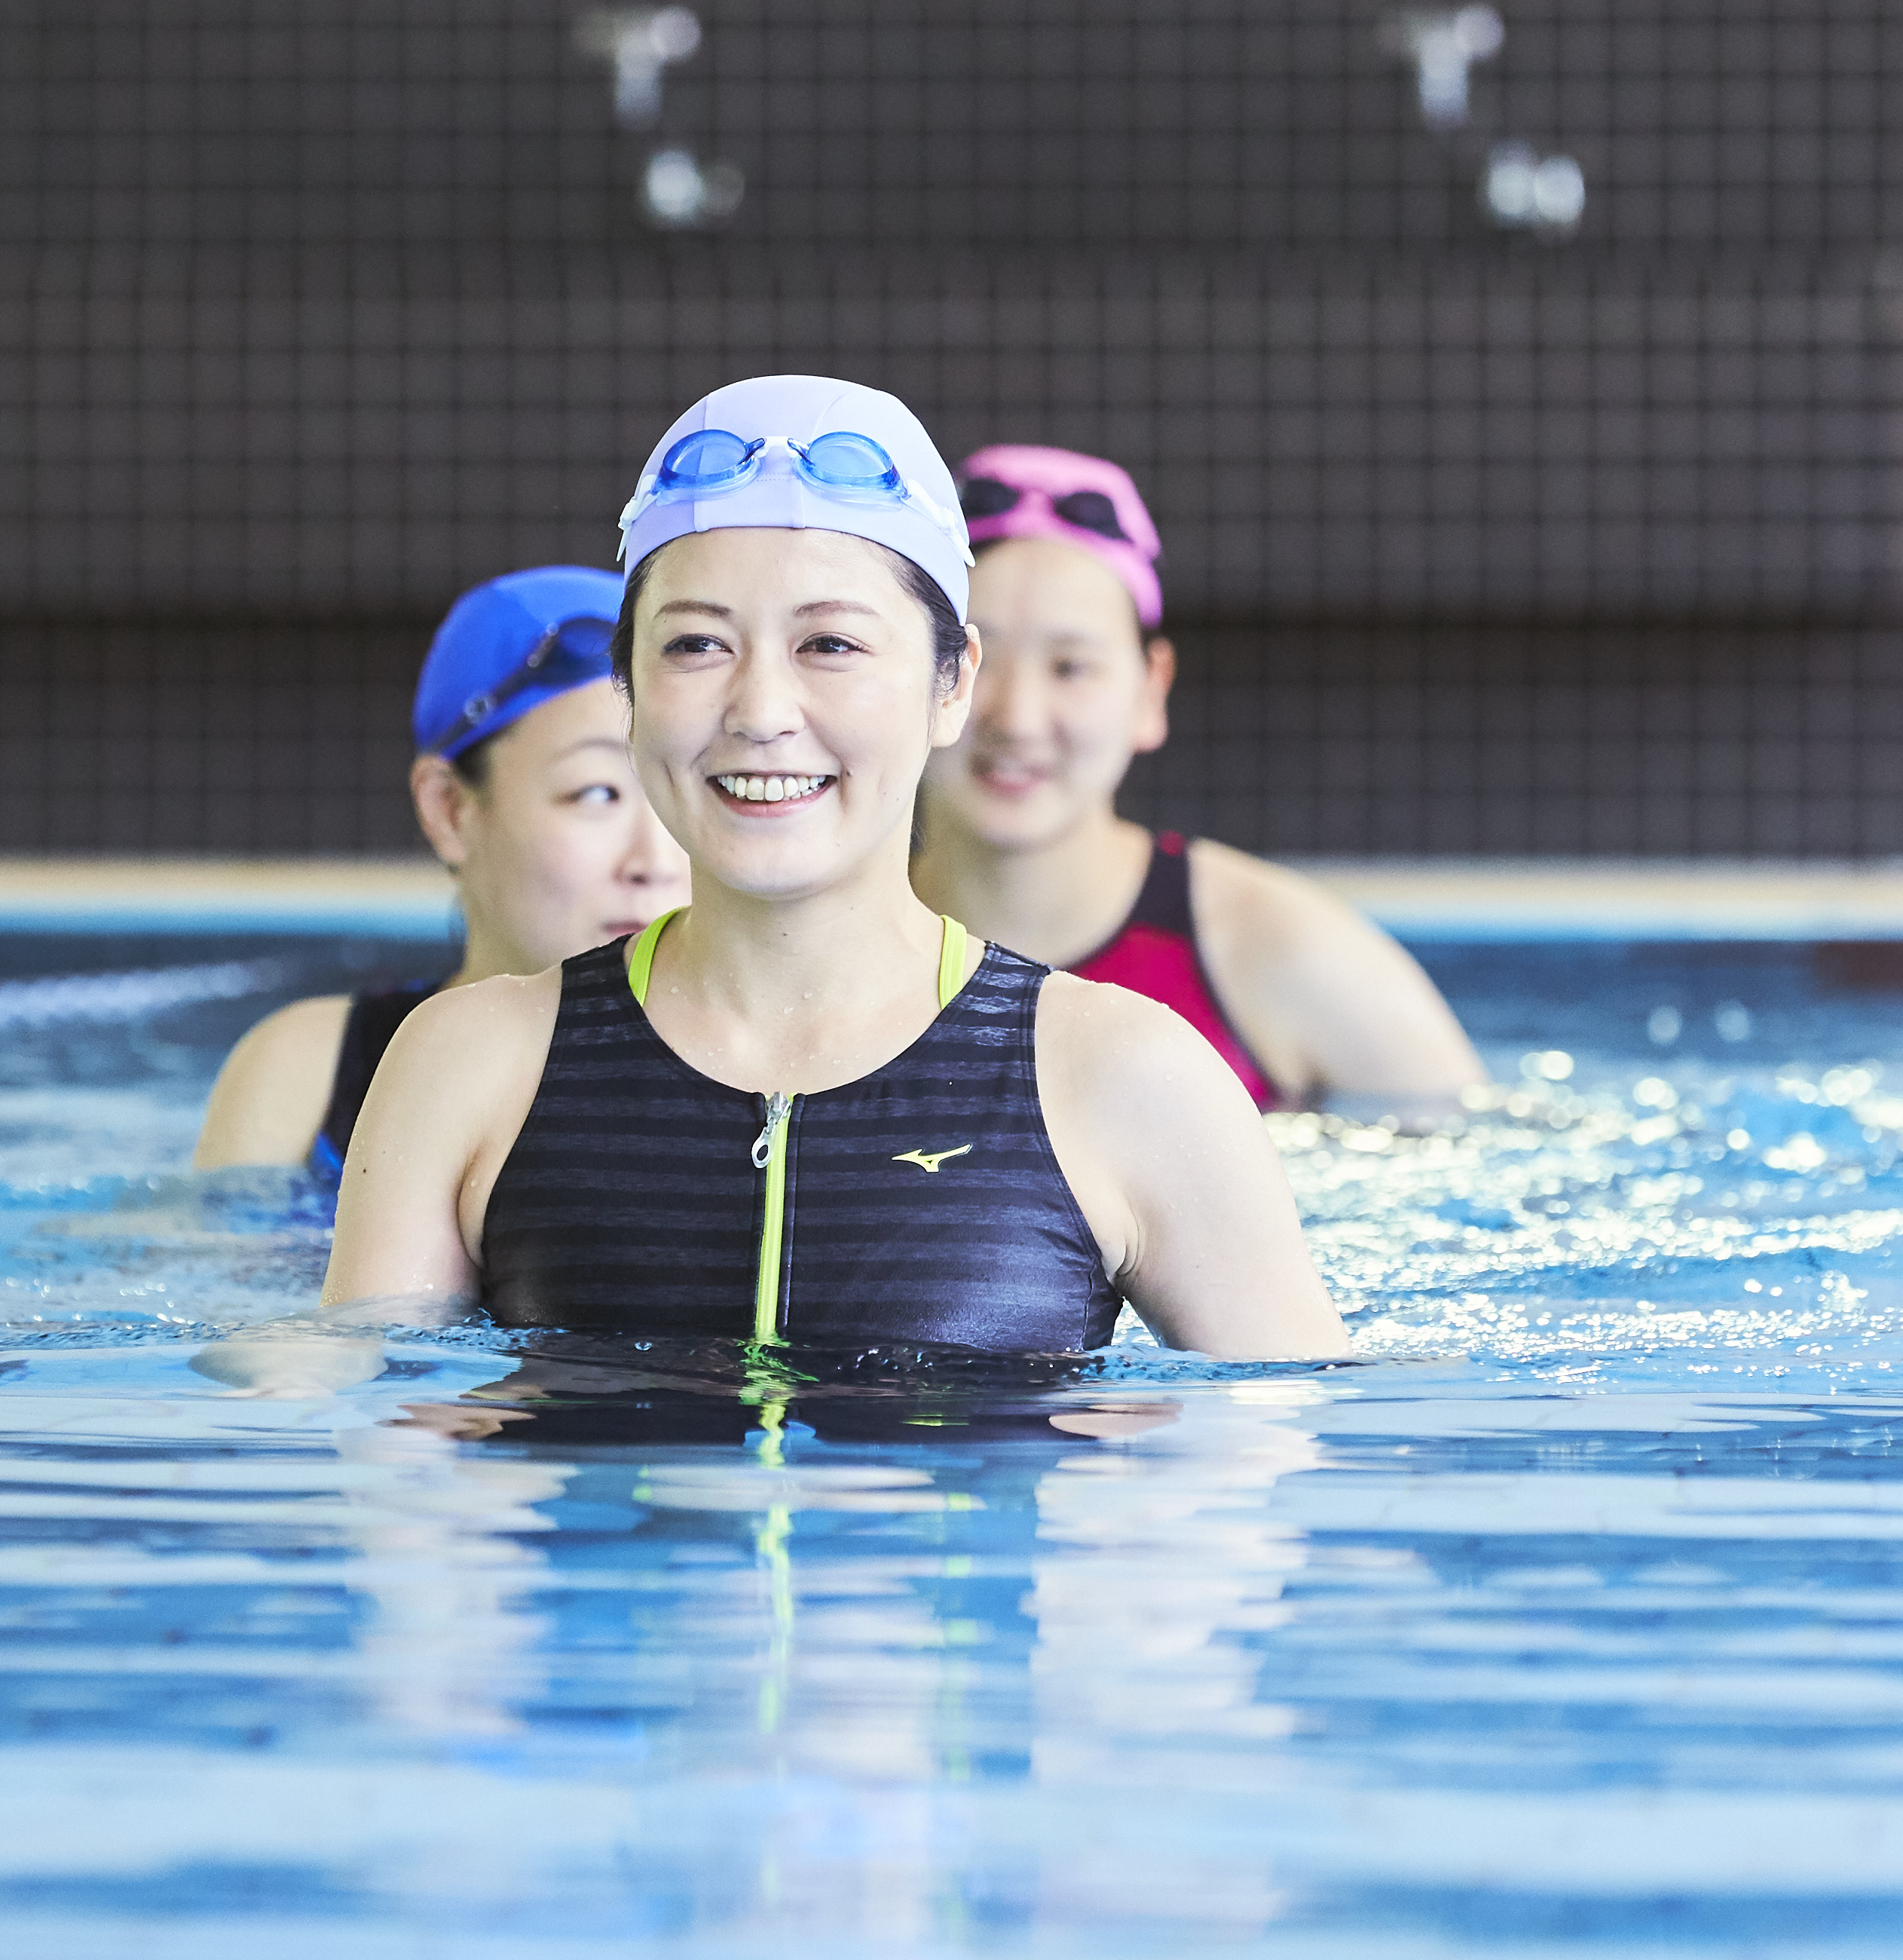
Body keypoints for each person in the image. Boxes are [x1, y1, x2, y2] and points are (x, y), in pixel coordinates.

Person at [322, 375, 1348, 1359]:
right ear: (627, 687)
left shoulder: (1123, 1075)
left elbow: (1288, 1449)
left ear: (952, 684)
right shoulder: (467, 1065)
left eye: (830, 645)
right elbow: (367, 1439)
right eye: (695, 645)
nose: (762, 711)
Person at [908, 442, 1483, 1111]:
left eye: (1071, 667)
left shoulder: (1291, 959)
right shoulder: (821, 932)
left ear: (1152, 690)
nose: (1017, 719)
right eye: (973, 658)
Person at [193, 566, 686, 1175]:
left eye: (676, 788)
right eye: (596, 793)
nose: (656, 862)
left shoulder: (764, 1079)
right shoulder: (313, 1074)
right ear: (449, 810)